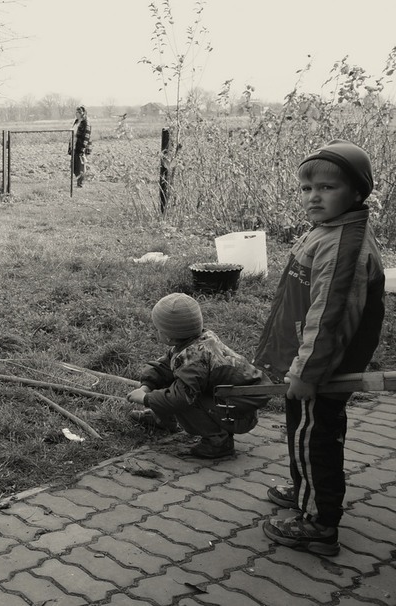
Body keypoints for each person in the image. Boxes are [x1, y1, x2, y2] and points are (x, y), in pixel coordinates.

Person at [255, 139, 385, 556]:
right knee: (307, 431)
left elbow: (328, 319)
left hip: (322, 367)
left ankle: (318, 523)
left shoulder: (342, 248)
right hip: (310, 361)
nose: (314, 196)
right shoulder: (330, 231)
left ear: (357, 193)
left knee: (314, 437)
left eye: (327, 188)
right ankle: (303, 490)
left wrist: (307, 373)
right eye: (307, 188)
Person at [127, 293, 268, 459]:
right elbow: (165, 366)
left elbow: (180, 398)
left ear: (169, 336)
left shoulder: (194, 359)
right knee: (174, 380)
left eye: (158, 329)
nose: (156, 332)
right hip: (230, 405)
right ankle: (163, 419)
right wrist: (147, 384)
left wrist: (146, 399)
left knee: (185, 397)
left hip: (238, 414)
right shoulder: (195, 342)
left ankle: (218, 441)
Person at [69, 105, 92, 187]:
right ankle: (78, 181)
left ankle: (80, 183)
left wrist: (82, 148)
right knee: (74, 165)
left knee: (81, 165)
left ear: (83, 113)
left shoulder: (86, 123)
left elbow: (87, 136)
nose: (77, 114)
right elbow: (72, 133)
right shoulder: (76, 122)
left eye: (79, 112)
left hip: (82, 147)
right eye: (76, 112)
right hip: (75, 145)